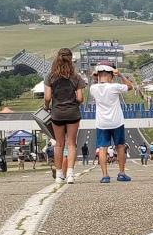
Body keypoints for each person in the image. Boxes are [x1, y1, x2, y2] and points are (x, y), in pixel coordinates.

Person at [43, 48, 85, 184]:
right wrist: (72, 100)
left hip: (57, 113)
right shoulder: (76, 77)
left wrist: (46, 106)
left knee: (59, 144)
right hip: (72, 112)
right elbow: (80, 98)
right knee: (71, 144)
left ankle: (59, 174)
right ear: (71, 59)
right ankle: (70, 174)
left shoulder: (50, 76)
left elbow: (47, 97)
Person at [89, 64, 133, 183]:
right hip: (116, 121)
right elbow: (130, 86)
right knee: (120, 147)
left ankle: (105, 175)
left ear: (98, 76)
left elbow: (96, 83)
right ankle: (122, 173)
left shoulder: (93, 89)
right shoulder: (115, 87)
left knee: (103, 148)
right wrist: (120, 75)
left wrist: (95, 77)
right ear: (110, 76)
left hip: (102, 123)